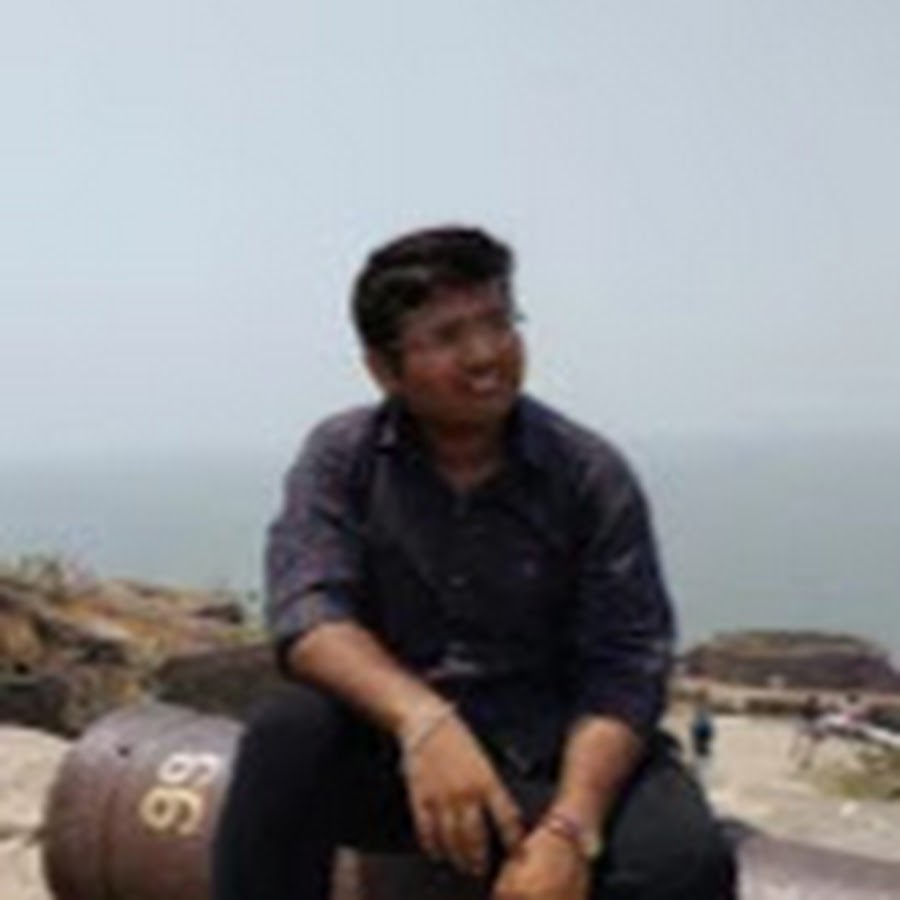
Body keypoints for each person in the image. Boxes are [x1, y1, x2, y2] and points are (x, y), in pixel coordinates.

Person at [211, 226, 735, 899]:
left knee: (685, 863)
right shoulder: (345, 458)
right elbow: (308, 613)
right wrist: (423, 722)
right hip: (402, 758)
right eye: (448, 336)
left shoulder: (587, 475)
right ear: (383, 369)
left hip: (549, 755)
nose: (486, 355)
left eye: (498, 323)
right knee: (287, 735)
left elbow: (626, 667)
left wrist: (570, 828)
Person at [689, 694, 716, 786]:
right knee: (700, 770)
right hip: (701, 749)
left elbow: (708, 733)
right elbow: (710, 733)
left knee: (700, 770)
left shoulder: (703, 717)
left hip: (701, 748)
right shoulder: (702, 716)